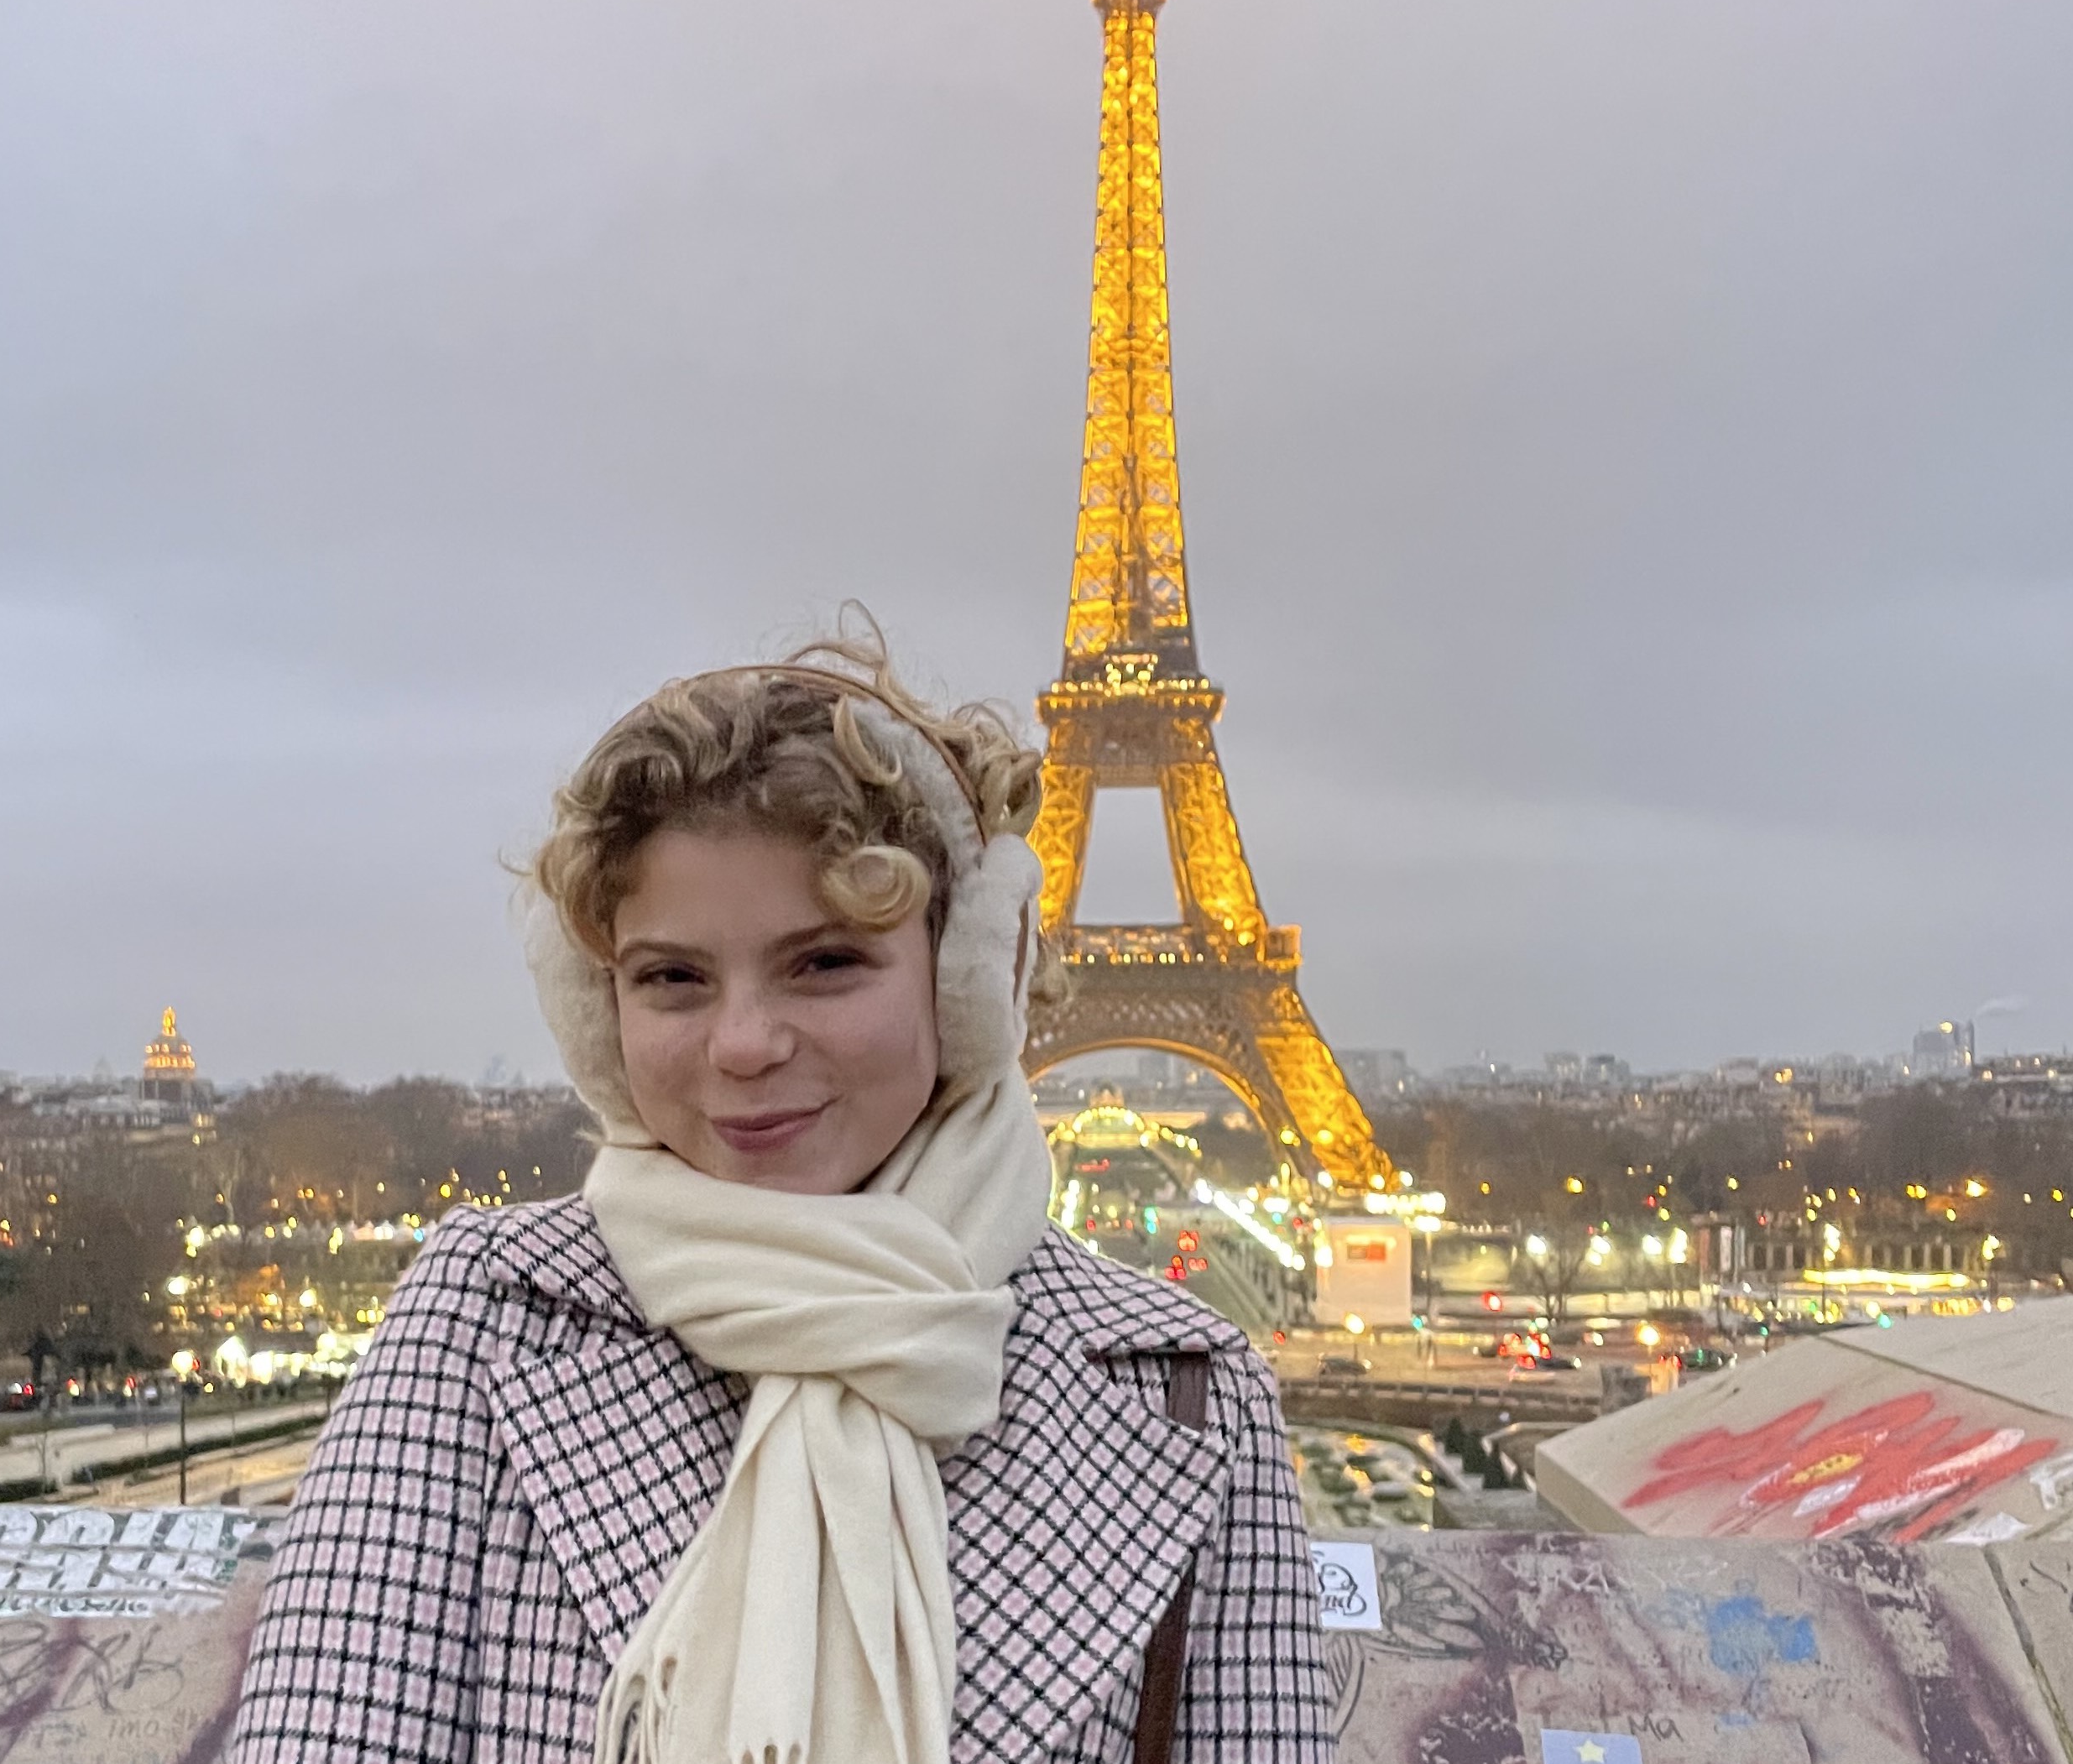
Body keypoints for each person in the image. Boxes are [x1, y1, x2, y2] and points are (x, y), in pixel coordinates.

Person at [229, 635, 1334, 1762]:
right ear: (596, 1011)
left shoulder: (1196, 1394)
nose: (746, 1045)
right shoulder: (476, 1320)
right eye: (672, 979)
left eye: (823, 964)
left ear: (968, 987)